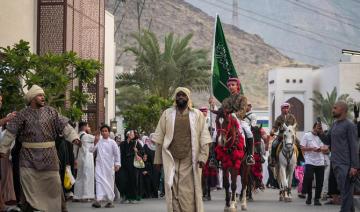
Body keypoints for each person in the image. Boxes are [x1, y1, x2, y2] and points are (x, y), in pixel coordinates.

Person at [0, 85, 81, 212]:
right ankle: (30, 208)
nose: (43, 97)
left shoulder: (52, 112)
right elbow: (10, 133)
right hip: (28, 158)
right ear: (32, 98)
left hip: (49, 157)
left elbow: (65, 126)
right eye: (40, 95)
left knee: (54, 185)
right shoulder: (22, 114)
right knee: (29, 187)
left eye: (43, 95)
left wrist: (74, 137)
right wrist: (2, 149)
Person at [153, 87, 212, 212]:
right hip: (171, 158)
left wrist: (203, 157)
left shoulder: (197, 114)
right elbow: (160, 139)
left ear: (188, 98)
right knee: (171, 188)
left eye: (183, 95)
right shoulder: (167, 114)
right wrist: (157, 160)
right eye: (178, 95)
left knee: (187, 192)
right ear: (175, 97)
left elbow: (204, 138)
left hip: (190, 159)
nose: (180, 97)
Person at [322, 101, 359, 212]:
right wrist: (320, 134)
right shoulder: (334, 124)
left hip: (346, 165)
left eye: (335, 108)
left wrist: (354, 166)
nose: (332, 110)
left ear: (342, 110)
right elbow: (327, 140)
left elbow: (354, 146)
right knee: (345, 192)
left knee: (346, 193)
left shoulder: (349, 125)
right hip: (335, 163)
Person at [221, 78, 254, 165]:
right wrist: (213, 106)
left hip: (239, 120)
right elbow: (221, 111)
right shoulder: (225, 100)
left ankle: (250, 155)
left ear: (237, 86)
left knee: (249, 132)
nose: (230, 87)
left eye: (233, 85)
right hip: (228, 121)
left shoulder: (243, 98)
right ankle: (214, 158)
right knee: (215, 135)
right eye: (229, 85)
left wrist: (234, 115)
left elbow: (243, 110)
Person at [91, 125, 121, 208]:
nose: (104, 132)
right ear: (101, 132)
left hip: (109, 167)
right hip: (99, 166)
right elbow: (91, 150)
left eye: (105, 131)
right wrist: (95, 142)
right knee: (99, 181)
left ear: (108, 132)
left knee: (109, 183)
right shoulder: (99, 142)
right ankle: (99, 200)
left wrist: (117, 164)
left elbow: (117, 154)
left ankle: (110, 201)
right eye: (102, 131)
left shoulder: (112, 142)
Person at [301, 122, 329, 206]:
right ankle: (309, 196)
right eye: (318, 128)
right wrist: (311, 149)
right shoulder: (307, 135)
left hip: (320, 161)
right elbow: (302, 147)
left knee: (320, 181)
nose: (319, 129)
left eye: (321, 128)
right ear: (314, 127)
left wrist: (322, 149)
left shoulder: (324, 137)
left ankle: (317, 199)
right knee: (309, 178)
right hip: (309, 161)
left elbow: (327, 150)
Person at [119, 130, 144, 203]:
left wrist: (137, 151)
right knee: (124, 180)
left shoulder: (136, 143)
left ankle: (133, 197)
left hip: (133, 165)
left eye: (133, 133)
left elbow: (142, 151)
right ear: (127, 134)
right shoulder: (123, 143)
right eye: (131, 133)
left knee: (133, 180)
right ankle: (125, 197)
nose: (133, 134)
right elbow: (120, 153)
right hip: (124, 164)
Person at [73, 121, 95, 201]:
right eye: (88, 126)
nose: (89, 128)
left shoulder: (76, 136)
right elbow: (97, 138)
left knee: (79, 177)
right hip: (87, 158)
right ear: (85, 127)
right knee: (87, 176)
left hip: (79, 158)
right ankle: (86, 195)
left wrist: (75, 159)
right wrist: (90, 132)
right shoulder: (87, 136)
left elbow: (74, 150)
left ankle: (77, 195)